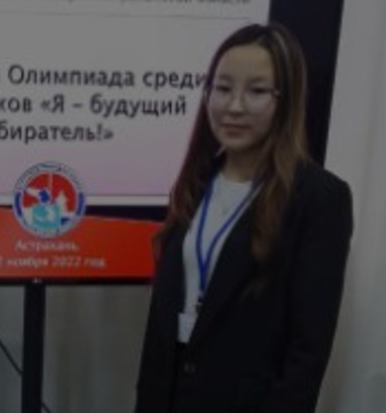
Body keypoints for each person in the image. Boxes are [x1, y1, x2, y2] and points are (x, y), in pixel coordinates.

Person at [134, 23, 353, 412]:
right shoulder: (195, 183)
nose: (234, 106)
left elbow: (308, 350)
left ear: (286, 100)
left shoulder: (319, 198)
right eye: (222, 88)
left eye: (256, 91)